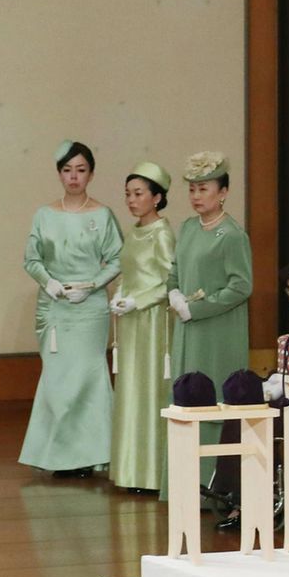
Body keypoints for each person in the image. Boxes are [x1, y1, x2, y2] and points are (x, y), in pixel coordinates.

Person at [19, 141, 123, 477]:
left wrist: (92, 285)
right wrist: (48, 282)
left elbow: (118, 258)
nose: (74, 177)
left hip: (89, 307)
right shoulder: (44, 215)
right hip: (55, 306)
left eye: (80, 170)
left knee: (88, 377)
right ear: (59, 174)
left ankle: (92, 455)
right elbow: (31, 258)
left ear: (91, 174)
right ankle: (58, 455)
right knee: (57, 379)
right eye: (67, 170)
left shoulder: (102, 215)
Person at [163, 151, 252, 502]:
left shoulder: (232, 235)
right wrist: (173, 292)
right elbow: (174, 270)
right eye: (192, 189)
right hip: (188, 330)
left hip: (218, 331)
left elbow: (241, 286)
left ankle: (213, 488)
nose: (197, 196)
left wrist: (196, 308)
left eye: (204, 189)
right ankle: (182, 486)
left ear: (223, 192)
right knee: (185, 397)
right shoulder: (187, 227)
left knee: (211, 400)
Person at [108, 162, 177, 492]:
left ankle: (151, 472)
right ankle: (130, 470)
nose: (132, 200)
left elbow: (169, 281)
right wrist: (120, 293)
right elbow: (129, 271)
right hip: (131, 321)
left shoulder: (162, 234)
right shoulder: (134, 232)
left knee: (149, 391)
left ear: (157, 197)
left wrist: (140, 300)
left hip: (152, 322)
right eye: (128, 194)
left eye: (138, 194)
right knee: (131, 390)